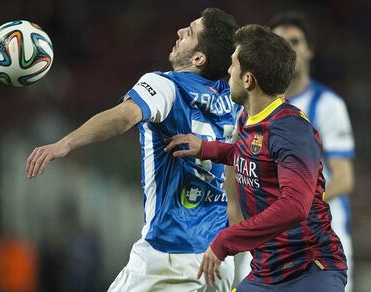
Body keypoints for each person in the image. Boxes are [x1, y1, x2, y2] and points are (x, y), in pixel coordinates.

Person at [26, 8, 240, 291]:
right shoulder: (234, 102)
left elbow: (125, 116)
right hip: (219, 260)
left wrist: (65, 143)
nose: (179, 33)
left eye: (189, 32)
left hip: (169, 254)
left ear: (199, 58)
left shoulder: (166, 85)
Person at [165, 24, 348, 291]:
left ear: (248, 80)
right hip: (267, 272)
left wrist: (225, 241)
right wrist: (205, 148)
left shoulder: (291, 128)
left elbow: (295, 206)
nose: (228, 72)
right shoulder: (249, 118)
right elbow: (252, 157)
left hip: (309, 269)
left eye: (233, 65)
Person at [235, 13, 356, 291]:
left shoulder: (327, 105)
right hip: (268, 237)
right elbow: (236, 160)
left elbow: (345, 178)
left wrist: (293, 205)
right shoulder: (249, 105)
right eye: (281, 42)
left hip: (318, 239)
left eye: (295, 41)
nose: (288, 47)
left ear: (309, 50)